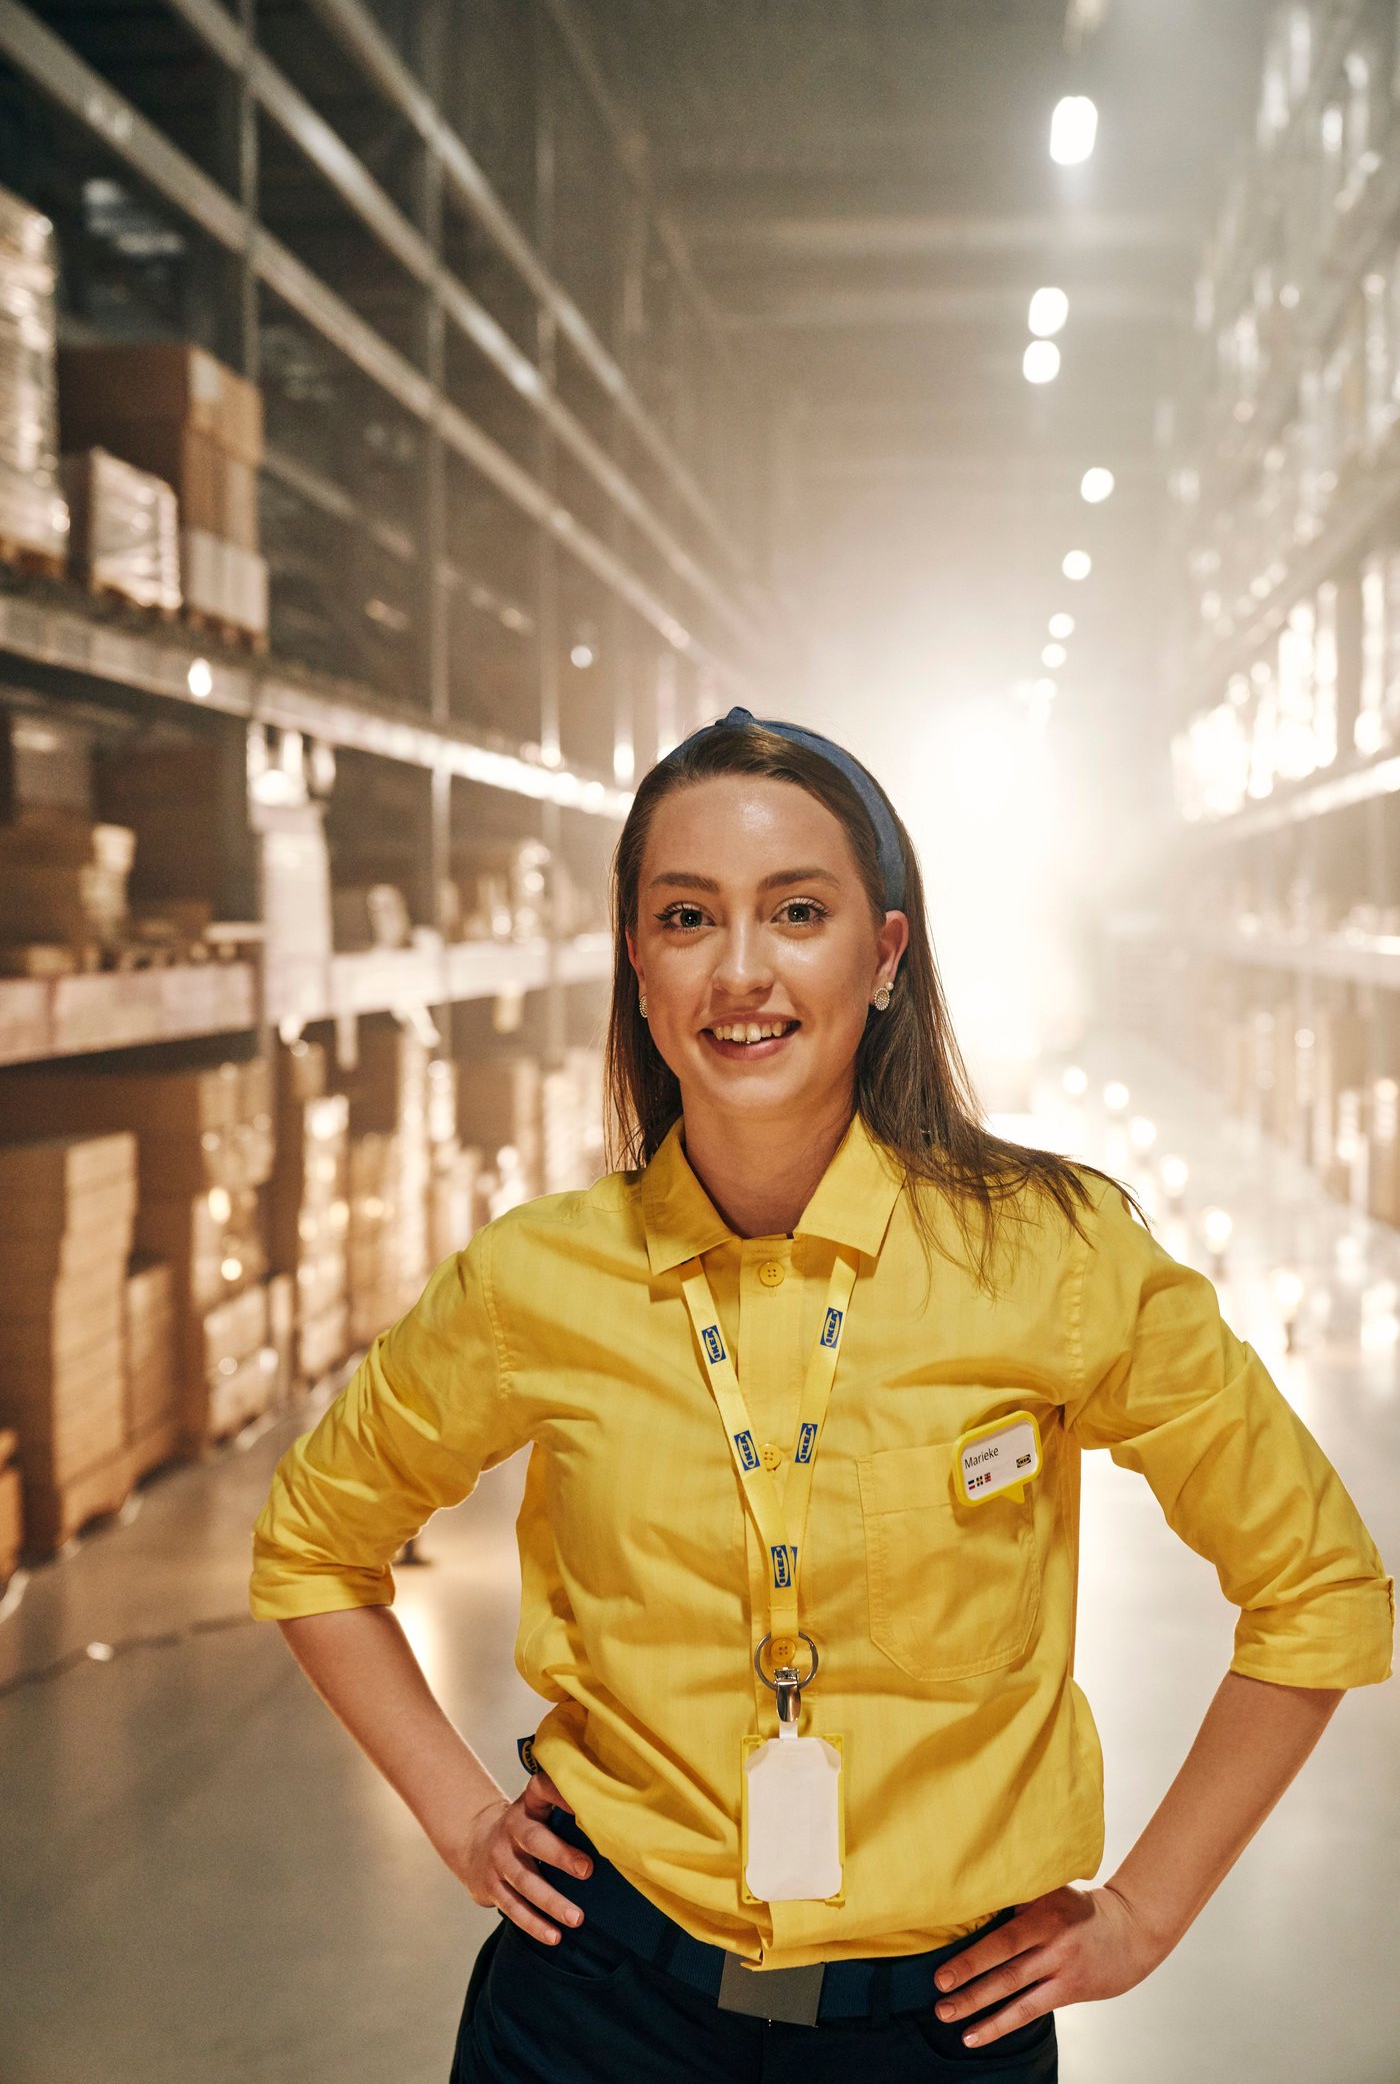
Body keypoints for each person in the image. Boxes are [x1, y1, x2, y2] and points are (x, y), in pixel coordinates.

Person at [248, 707, 1394, 2082]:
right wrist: (458, 1816)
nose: (742, 971)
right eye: (686, 916)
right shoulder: (535, 1281)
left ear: (885, 952)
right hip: (596, 2015)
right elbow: (315, 1541)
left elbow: (1320, 1586)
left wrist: (1144, 1915)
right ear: (636, 958)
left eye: (797, 910)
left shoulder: (1052, 1257)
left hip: (933, 2034)